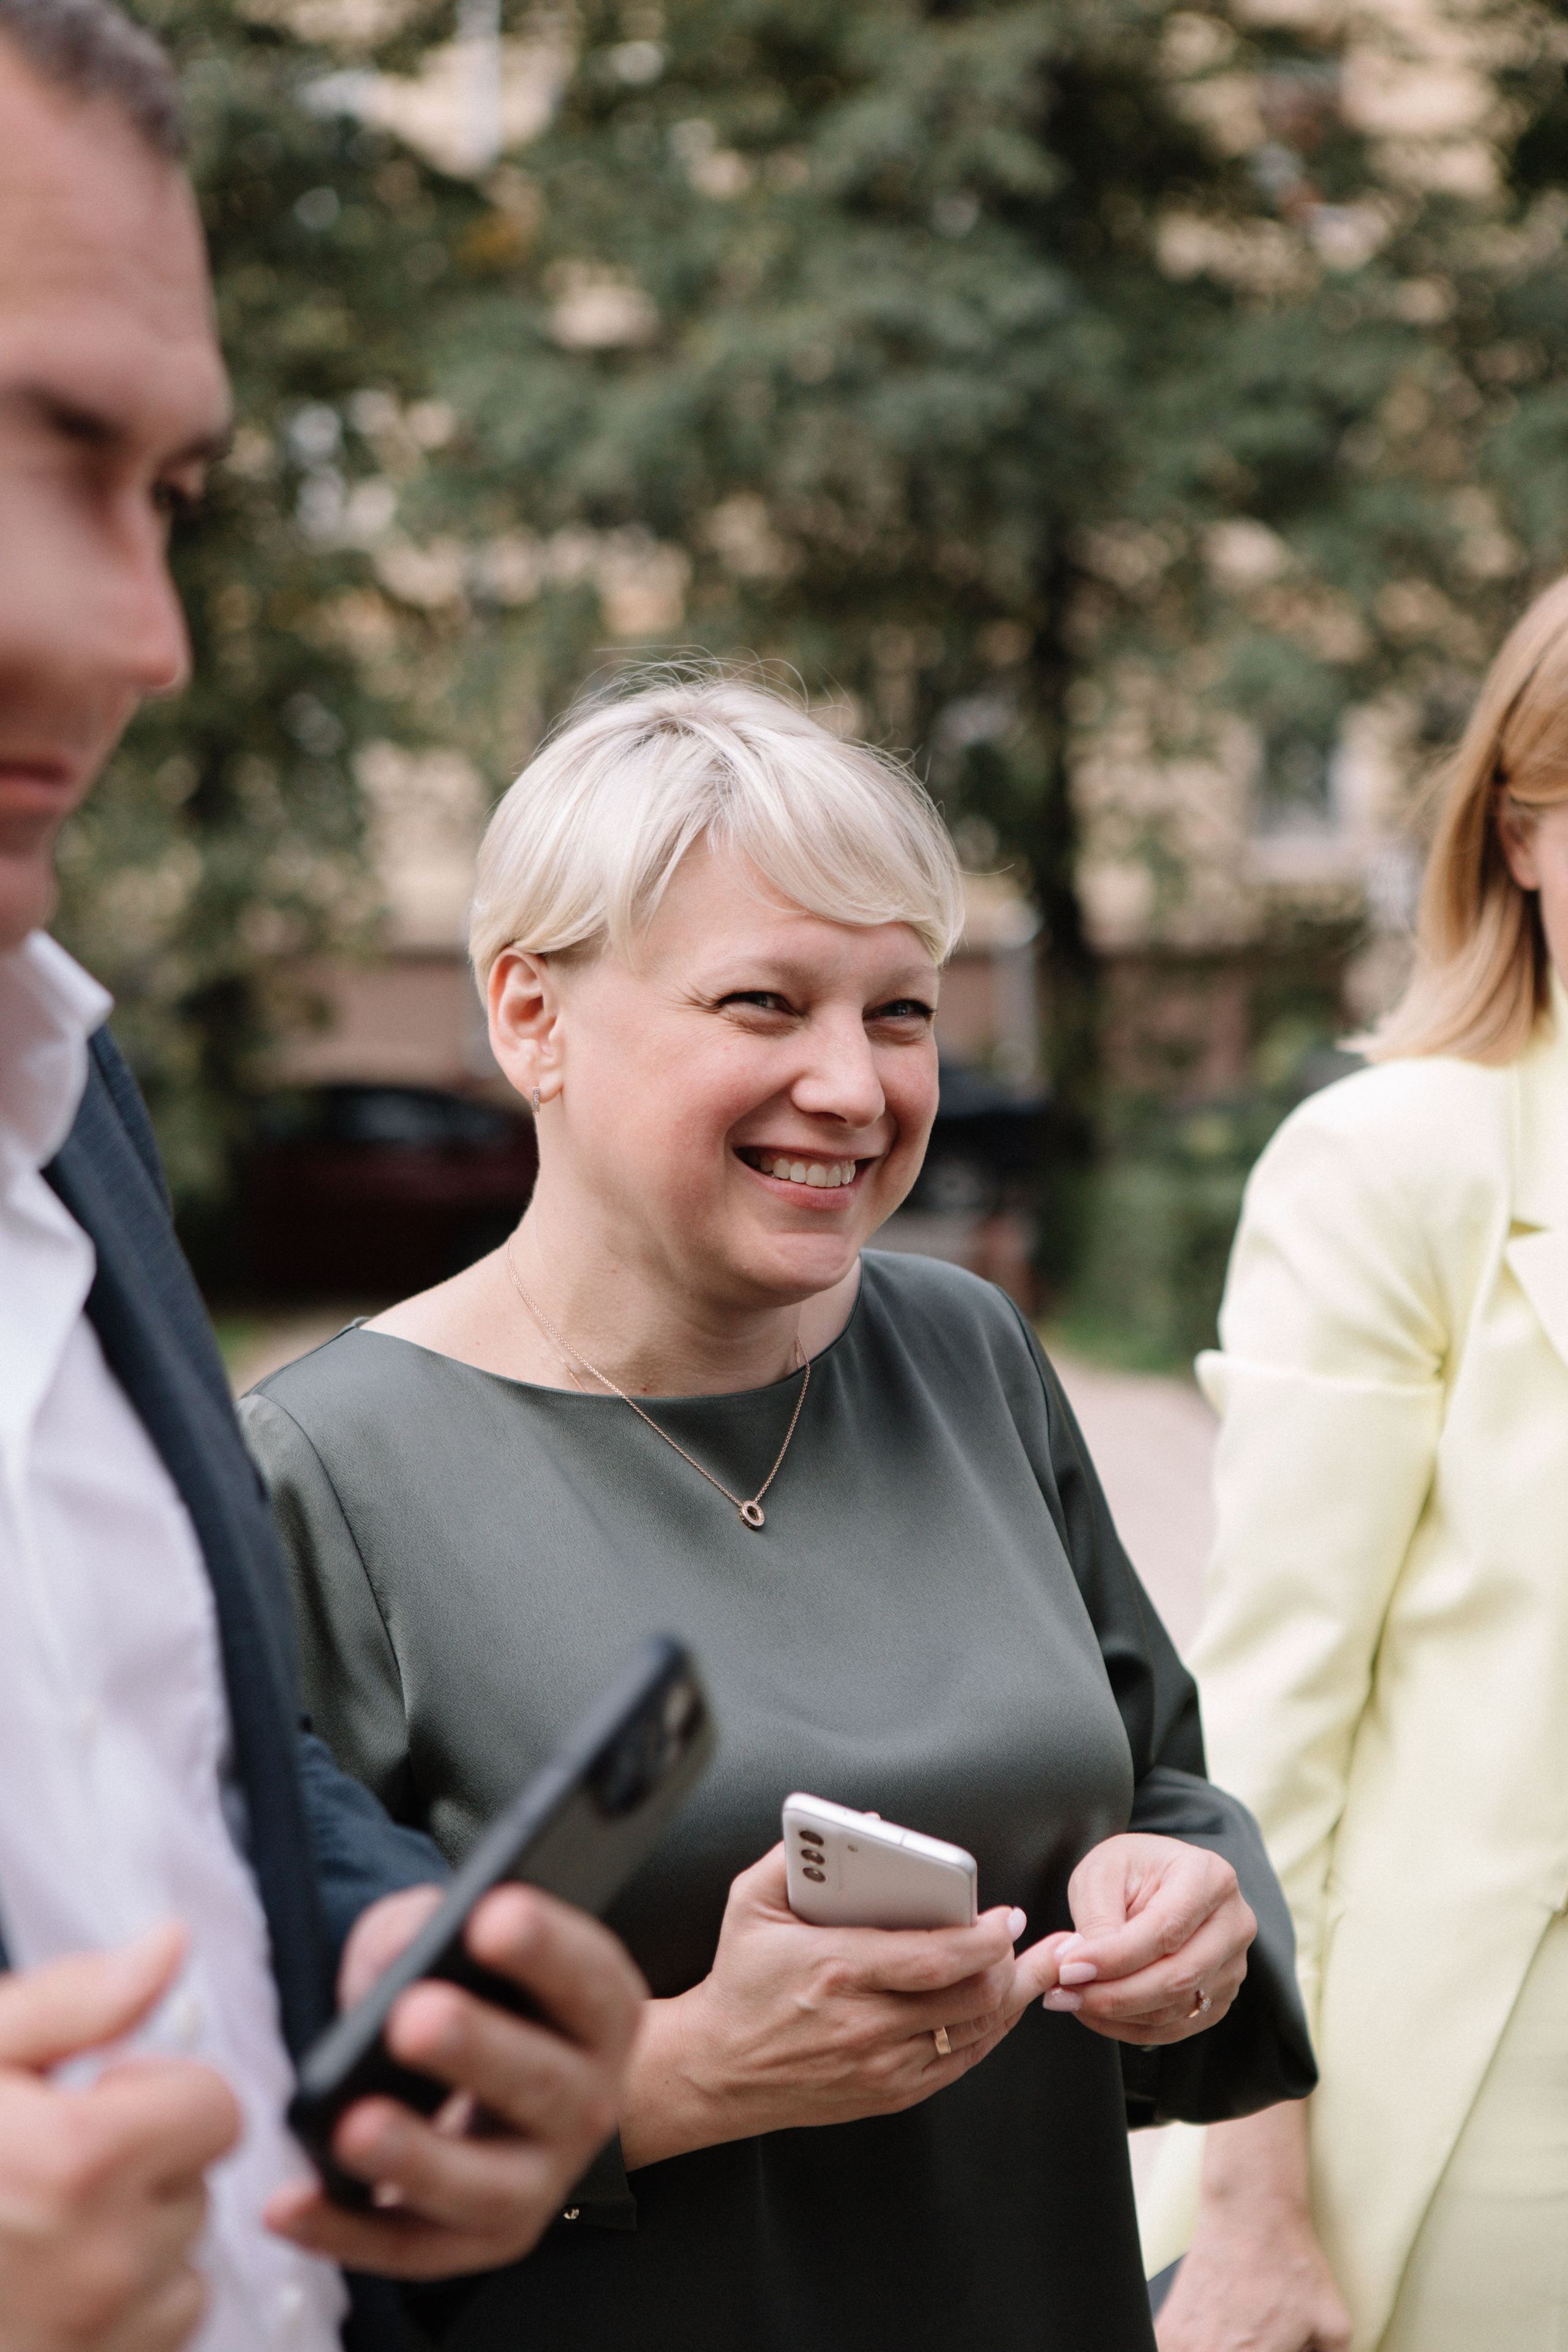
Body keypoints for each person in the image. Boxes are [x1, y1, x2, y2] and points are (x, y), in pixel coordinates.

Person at [242, 673, 1316, 2352]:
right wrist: (674, 2086)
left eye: (900, 1012)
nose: (855, 1085)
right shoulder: (321, 1471)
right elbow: (262, 2095)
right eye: (763, 1003)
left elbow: (1160, 1778)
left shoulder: (968, 1351)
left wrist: (1183, 1913)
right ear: (530, 1017)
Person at [0, 4, 645, 2348]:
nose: (143, 637)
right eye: (41, 448)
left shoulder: (65, 1101)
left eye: (167, 493)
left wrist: (366, 1942)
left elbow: (163, 1750)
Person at [1145, 571, 1568, 2352]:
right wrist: (1243, 2217)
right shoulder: (1394, 1163)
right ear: (1524, 832)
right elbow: (1261, 1740)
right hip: (1501, 2123)